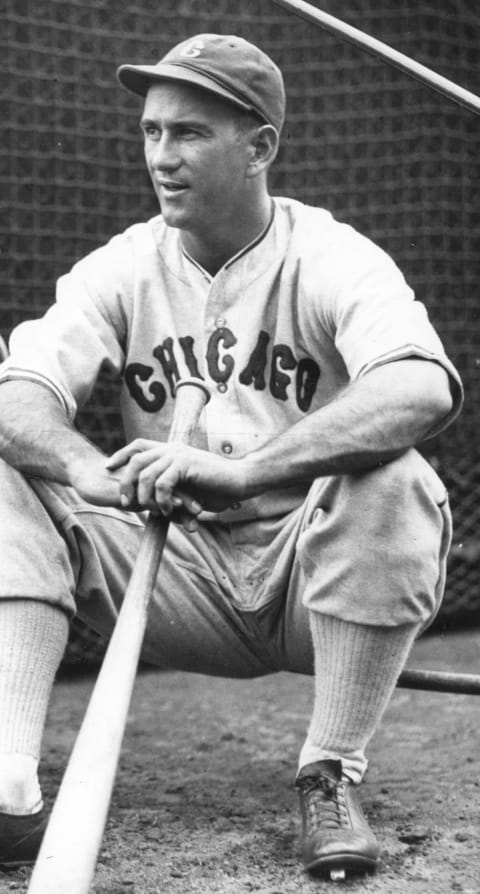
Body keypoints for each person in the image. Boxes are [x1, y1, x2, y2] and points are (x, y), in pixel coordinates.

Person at [0, 33, 463, 879]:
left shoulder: (328, 254)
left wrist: (251, 469)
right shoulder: (126, 264)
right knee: (6, 474)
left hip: (310, 574)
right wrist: (83, 468)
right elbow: (16, 393)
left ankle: (328, 771)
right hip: (173, 573)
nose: (161, 156)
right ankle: (9, 789)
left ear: (261, 147)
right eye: (151, 132)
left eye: (190, 134)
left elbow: (422, 388)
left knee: (395, 478)